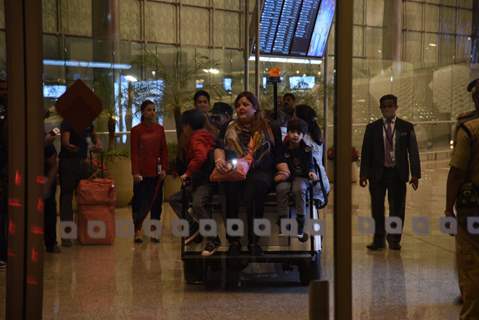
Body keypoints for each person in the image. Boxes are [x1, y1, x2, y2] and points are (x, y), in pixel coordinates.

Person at [214, 91, 282, 256]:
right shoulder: (229, 127)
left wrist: (283, 169)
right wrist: (219, 161)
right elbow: (218, 147)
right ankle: (234, 241)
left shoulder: (268, 127)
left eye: (245, 104)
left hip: (260, 170)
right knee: (231, 193)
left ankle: (254, 241)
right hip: (234, 170)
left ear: (255, 107)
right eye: (238, 105)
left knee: (255, 190)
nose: (241, 108)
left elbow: (278, 151)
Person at [359, 94, 421, 251]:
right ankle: (378, 240)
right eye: (384, 106)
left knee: (397, 208)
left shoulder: (406, 127)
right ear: (380, 109)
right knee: (377, 208)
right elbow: (366, 152)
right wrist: (363, 174)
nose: (387, 109)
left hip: (397, 174)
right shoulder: (372, 128)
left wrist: (415, 175)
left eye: (390, 106)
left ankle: (394, 239)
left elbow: (413, 152)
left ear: (396, 107)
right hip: (377, 174)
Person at [444, 78, 479, 319]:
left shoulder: (470, 128)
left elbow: (457, 172)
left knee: (471, 265)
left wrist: (448, 208)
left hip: (473, 207)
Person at [168, 109, 219, 256]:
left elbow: (200, 157)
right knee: (175, 200)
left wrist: (187, 173)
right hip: (200, 180)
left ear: (187, 126)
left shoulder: (197, 137)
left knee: (197, 203)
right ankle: (194, 227)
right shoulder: (204, 135)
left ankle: (213, 238)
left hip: (205, 181)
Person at [59, 118, 101, 247]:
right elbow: (65, 142)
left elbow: (95, 139)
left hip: (80, 162)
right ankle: (68, 235)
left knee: (77, 198)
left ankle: (74, 234)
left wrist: (95, 146)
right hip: (70, 163)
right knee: (68, 197)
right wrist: (73, 147)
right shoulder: (69, 121)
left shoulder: (87, 122)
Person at [131, 100, 168, 243]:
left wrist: (164, 168)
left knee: (156, 203)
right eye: (148, 110)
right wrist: (135, 172)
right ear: (142, 112)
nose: (152, 112)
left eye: (153, 109)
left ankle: (155, 231)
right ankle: (138, 230)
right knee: (139, 201)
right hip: (141, 173)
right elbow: (134, 153)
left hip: (156, 172)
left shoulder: (160, 129)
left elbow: (164, 150)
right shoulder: (136, 131)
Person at [275, 118, 318, 242]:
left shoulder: (307, 149)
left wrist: (311, 172)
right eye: (292, 132)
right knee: (281, 189)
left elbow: (310, 165)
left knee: (299, 189)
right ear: (287, 132)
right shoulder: (282, 148)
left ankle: (300, 222)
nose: (295, 135)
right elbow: (278, 161)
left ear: (303, 135)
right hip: (287, 176)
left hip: (302, 177)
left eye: (299, 133)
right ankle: (283, 223)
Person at [44, 126, 61, 253]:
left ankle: (51, 243)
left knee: (49, 209)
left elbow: (53, 165)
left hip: (46, 180)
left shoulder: (47, 144)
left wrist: (47, 184)